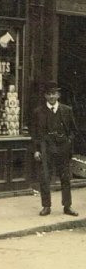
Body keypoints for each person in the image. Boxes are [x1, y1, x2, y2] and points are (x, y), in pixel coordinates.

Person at [32, 81, 79, 217]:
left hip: (63, 147)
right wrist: (36, 150)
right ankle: (46, 206)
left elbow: (73, 130)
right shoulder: (38, 112)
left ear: (58, 95)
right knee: (45, 178)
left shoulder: (67, 110)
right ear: (45, 96)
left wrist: (69, 141)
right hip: (46, 148)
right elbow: (34, 133)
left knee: (65, 177)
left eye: (54, 94)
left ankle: (67, 206)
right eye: (49, 94)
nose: (51, 97)